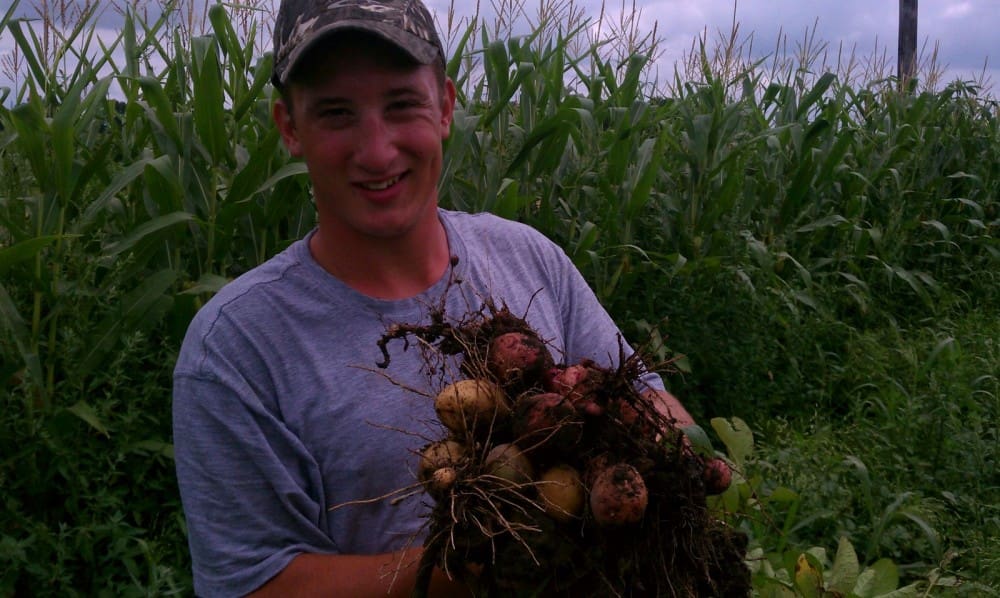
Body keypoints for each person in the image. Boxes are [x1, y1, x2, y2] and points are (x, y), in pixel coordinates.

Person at [172, 0, 722, 595]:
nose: (378, 152)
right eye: (336, 113)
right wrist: (475, 566)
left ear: (445, 107)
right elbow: (254, 585)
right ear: (289, 128)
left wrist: (675, 468)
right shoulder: (236, 344)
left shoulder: (528, 258)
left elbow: (647, 400)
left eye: (402, 104)